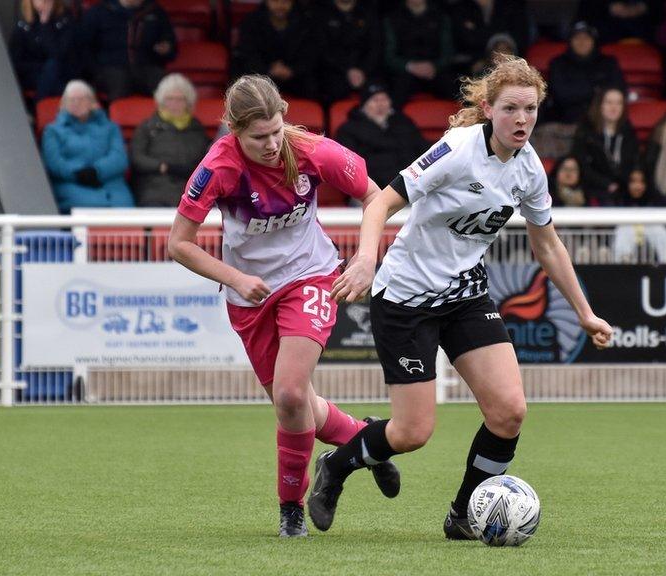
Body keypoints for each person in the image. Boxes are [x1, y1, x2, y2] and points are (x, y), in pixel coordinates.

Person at [305, 55, 613, 538]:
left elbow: (547, 243)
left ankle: (464, 516)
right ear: (489, 109)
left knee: (509, 411)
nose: (522, 120)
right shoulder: (457, 149)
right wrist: (366, 259)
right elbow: (381, 201)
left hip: (467, 296)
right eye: (511, 109)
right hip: (405, 299)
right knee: (412, 434)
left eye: (530, 109)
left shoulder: (531, 169)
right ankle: (337, 465)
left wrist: (586, 313)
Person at [167, 75, 400, 538]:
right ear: (234, 130)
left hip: (310, 275)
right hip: (247, 294)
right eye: (259, 137)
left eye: (277, 130)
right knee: (293, 406)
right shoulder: (217, 167)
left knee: (292, 394)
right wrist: (234, 278)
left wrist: (366, 258)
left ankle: (291, 508)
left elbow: (377, 195)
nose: (272, 144)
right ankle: (364, 438)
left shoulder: (314, 150)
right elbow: (179, 244)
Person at [41, 80, 135, 213]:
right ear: (63, 104)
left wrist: (97, 171)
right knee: (88, 206)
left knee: (124, 206)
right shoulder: (52, 131)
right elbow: (54, 163)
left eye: (81, 99)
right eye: (71, 100)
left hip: (111, 183)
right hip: (72, 183)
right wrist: (78, 173)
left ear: (93, 102)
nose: (76, 103)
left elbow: (119, 158)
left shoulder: (110, 128)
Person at [130, 73, 211, 207]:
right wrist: (163, 167)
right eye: (170, 99)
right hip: (154, 185)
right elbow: (137, 158)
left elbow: (205, 160)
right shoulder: (147, 127)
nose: (175, 104)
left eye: (180, 99)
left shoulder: (197, 129)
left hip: (190, 185)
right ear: (161, 101)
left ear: (188, 103)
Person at [334, 83, 429, 187]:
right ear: (364, 105)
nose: (380, 105)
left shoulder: (404, 123)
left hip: (409, 186)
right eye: (375, 100)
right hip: (369, 190)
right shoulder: (348, 129)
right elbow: (348, 166)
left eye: (384, 100)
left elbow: (423, 150)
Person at [80, 0, 177, 101]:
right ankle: (116, 115)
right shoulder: (99, 12)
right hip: (110, 69)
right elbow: (83, 47)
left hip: (147, 67)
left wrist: (166, 48)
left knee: (169, 86)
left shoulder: (156, 11)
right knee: (120, 82)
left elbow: (170, 44)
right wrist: (96, 71)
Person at [233, 0, 318, 99]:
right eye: (275, 1)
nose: (280, 6)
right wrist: (268, 70)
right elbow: (247, 53)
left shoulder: (306, 22)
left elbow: (311, 53)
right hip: (259, 77)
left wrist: (292, 70)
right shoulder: (251, 21)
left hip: (298, 79)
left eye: (285, 2)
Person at [570, 87, 640, 206]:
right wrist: (606, 184)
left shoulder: (628, 132)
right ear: (600, 105)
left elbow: (633, 163)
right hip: (593, 190)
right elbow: (581, 165)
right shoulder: (586, 133)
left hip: (623, 190)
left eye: (618, 103)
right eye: (609, 102)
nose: (614, 107)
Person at [546, 22, 625, 123]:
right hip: (565, 120)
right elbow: (561, 95)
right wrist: (595, 89)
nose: (582, 42)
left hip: (602, 119)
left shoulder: (608, 63)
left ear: (594, 41)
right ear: (570, 41)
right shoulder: (558, 63)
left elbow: (617, 91)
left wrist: (577, 90)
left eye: (587, 38)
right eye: (577, 38)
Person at [383, 0, 457, 105]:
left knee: (456, 90)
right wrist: (410, 66)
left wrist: (434, 66)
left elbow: (448, 52)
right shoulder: (391, 18)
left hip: (436, 71)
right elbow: (388, 56)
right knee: (396, 92)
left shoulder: (441, 17)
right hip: (404, 72)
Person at [314, 0, 381, 103]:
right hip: (334, 70)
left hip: (365, 70)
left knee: (380, 91)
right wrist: (347, 70)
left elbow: (375, 47)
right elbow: (322, 49)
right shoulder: (322, 13)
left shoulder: (368, 12)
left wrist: (363, 70)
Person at [9, 0, 77, 100]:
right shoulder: (23, 27)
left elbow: (58, 54)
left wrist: (45, 24)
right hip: (34, 73)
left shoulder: (65, 21)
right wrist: (43, 68)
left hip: (62, 71)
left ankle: (38, 106)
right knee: (53, 76)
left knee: (54, 70)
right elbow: (16, 62)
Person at [449, 0, 531, 73]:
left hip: (510, 64)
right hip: (469, 65)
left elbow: (521, 40)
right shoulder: (459, 9)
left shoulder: (512, 6)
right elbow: (459, 44)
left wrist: (478, 33)